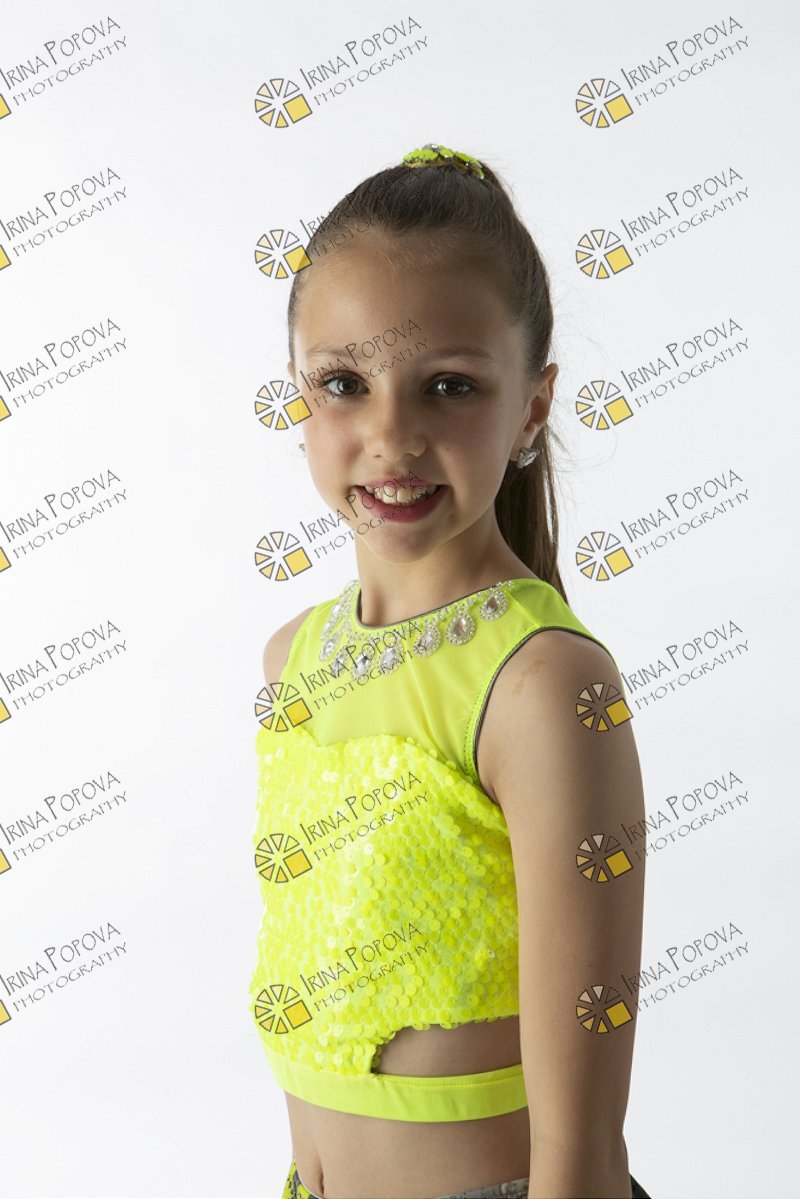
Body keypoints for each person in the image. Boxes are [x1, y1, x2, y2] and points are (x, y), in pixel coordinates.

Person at [251, 144, 652, 1199]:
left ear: (531, 408)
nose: (391, 436)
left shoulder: (541, 686)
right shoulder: (293, 660)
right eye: (344, 384)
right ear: (300, 396)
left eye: (448, 386)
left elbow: (581, 1150)